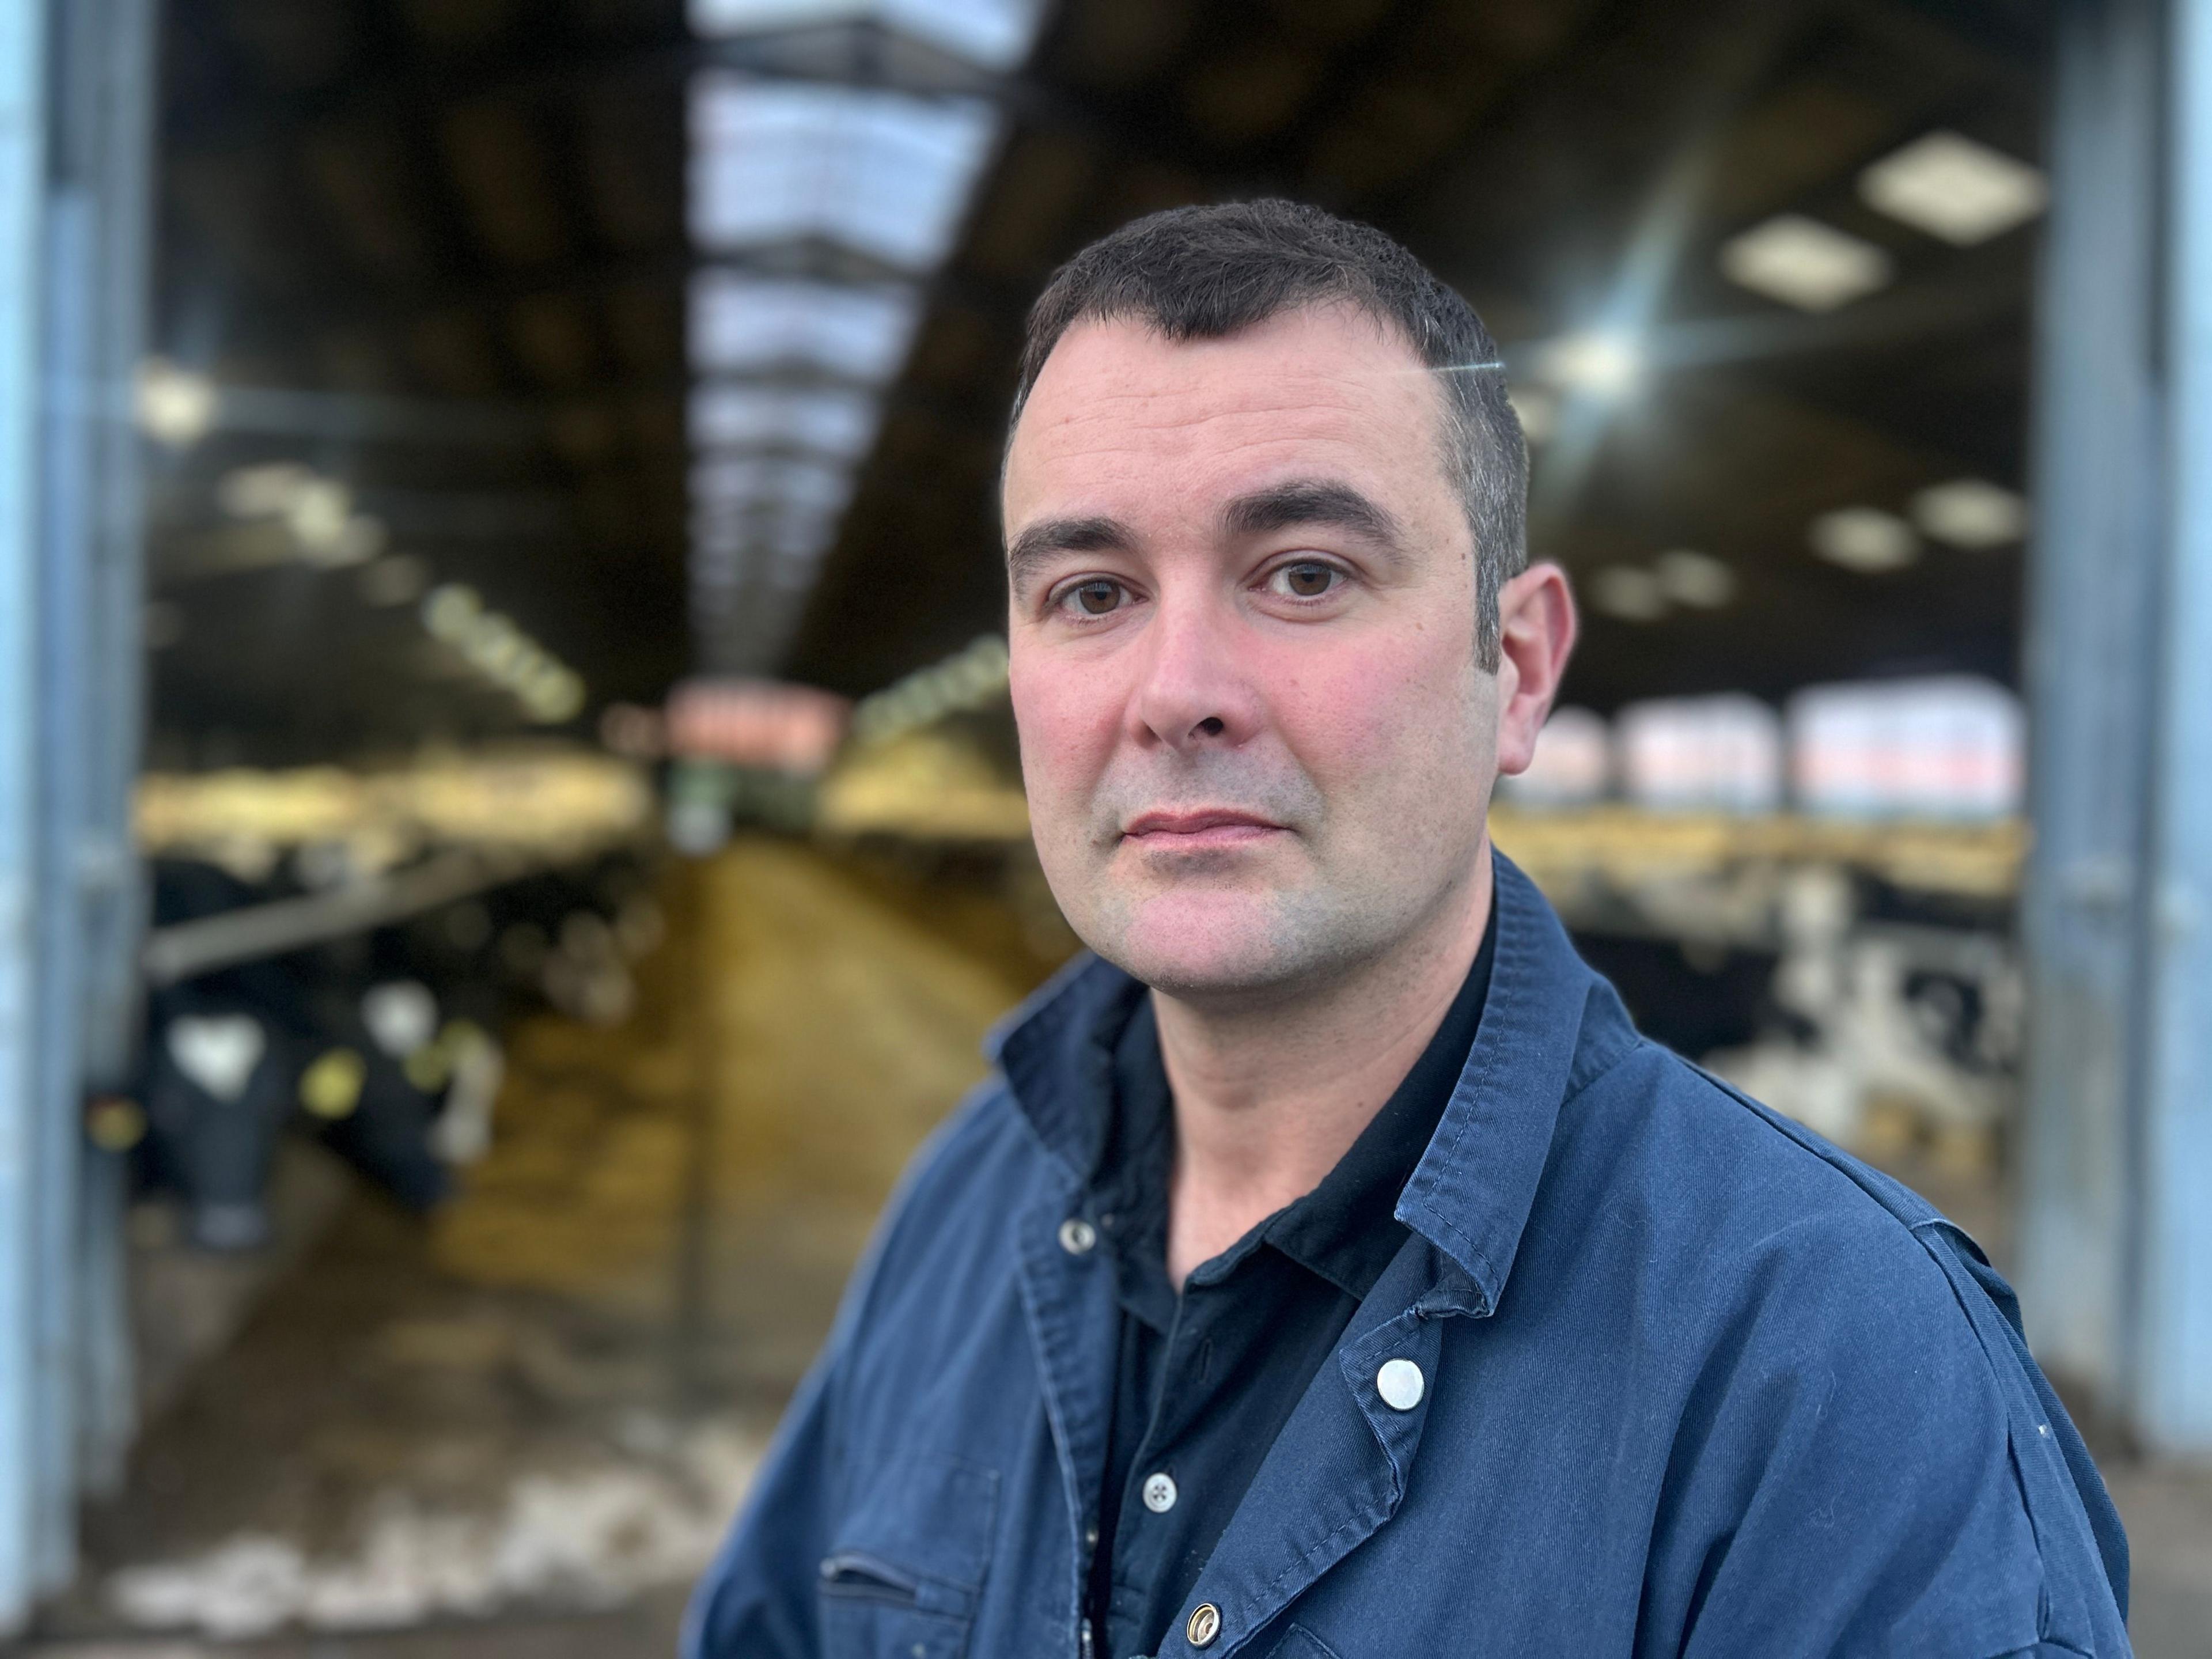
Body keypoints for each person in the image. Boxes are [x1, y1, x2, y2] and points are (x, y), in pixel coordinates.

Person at [686, 200, 2130, 1659]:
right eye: (1092, 593)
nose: (1175, 690)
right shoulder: (971, 1198)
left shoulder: (1844, 1373)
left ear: (1513, 670)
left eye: (1305, 573)